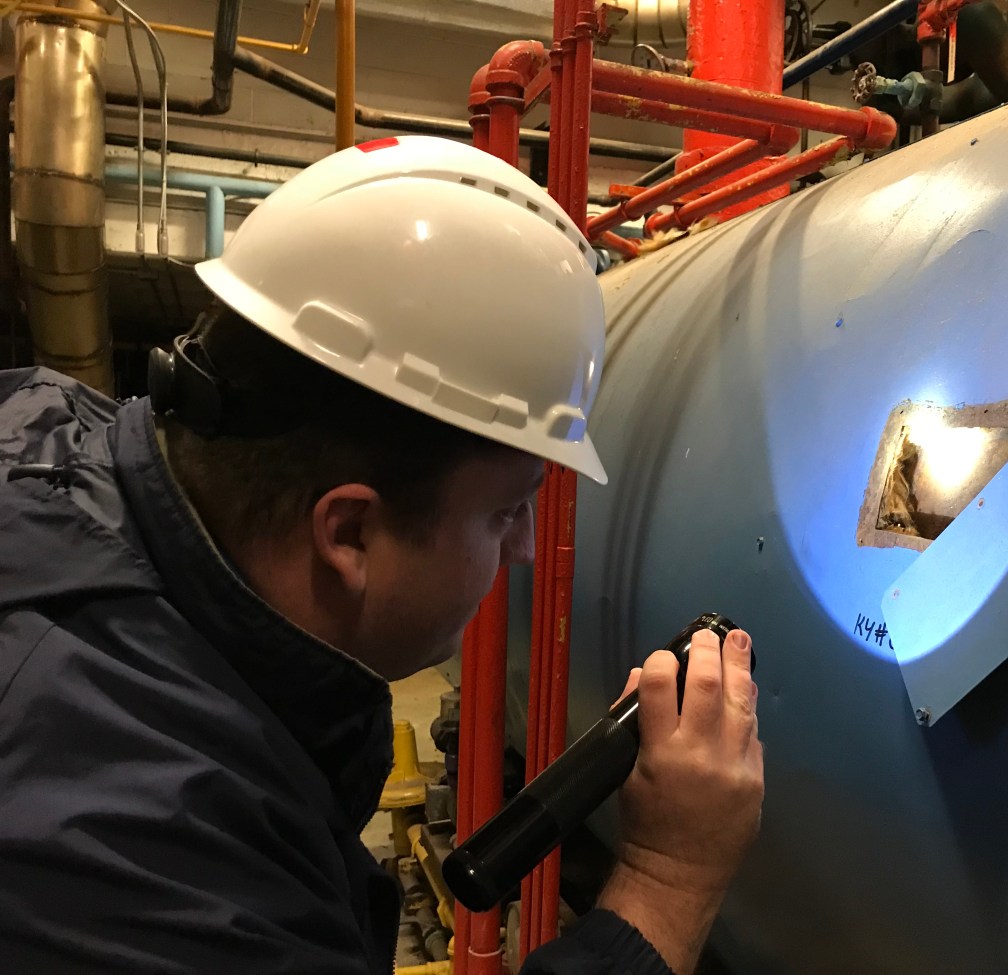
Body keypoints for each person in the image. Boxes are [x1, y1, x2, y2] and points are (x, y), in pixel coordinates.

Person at [0, 136, 762, 975]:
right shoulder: (140, 853)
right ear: (350, 534)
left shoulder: (43, 431)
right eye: (506, 511)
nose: (527, 546)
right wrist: (668, 878)